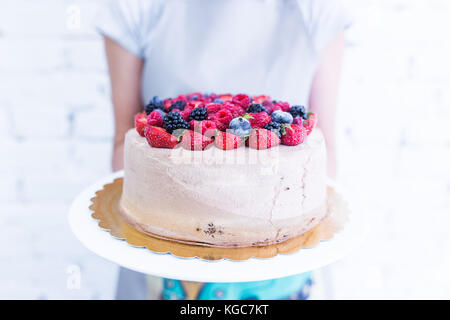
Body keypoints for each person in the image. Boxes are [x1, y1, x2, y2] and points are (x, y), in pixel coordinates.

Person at [96, 0, 350, 300]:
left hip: (282, 284)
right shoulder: (133, 7)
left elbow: (324, 151)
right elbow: (125, 145)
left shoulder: (319, 8)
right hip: (162, 282)